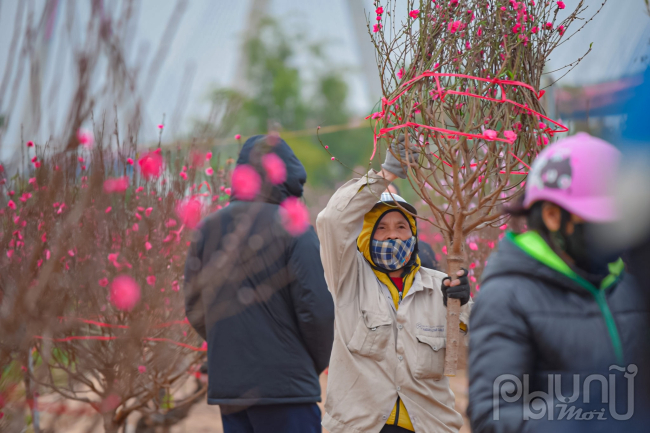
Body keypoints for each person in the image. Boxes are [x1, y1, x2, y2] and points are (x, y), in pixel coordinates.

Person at [468, 133, 650, 432]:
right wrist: (597, 412)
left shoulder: (631, 284)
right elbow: (492, 417)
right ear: (553, 216)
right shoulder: (506, 298)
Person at [317, 137, 472, 433]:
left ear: (413, 235)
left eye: (402, 227)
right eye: (382, 228)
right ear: (366, 237)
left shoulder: (442, 286)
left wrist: (461, 310)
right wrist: (385, 175)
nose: (393, 237)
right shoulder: (349, 279)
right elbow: (332, 221)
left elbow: (464, 360)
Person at [184, 135, 335, 433]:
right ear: (289, 175)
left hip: (232, 388)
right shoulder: (295, 229)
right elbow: (316, 309)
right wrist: (309, 362)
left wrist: (229, 345)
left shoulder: (207, 230)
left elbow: (195, 306)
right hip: (287, 388)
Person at [385, 184, 439, 270]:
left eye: (391, 200)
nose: (385, 204)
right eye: (380, 199)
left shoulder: (421, 251)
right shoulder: (358, 252)